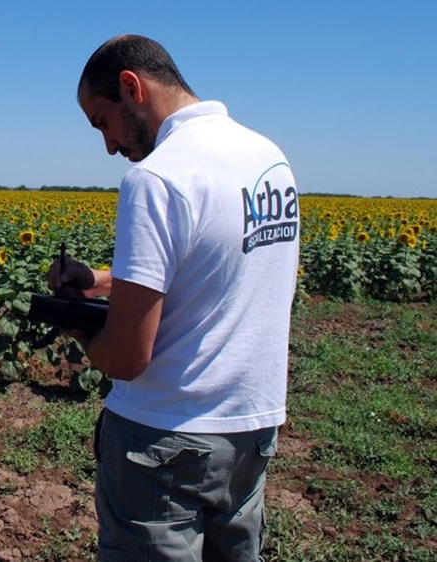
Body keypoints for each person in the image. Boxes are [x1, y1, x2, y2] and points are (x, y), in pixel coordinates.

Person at [47, 35, 300, 561]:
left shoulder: (156, 178)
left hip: (166, 437)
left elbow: (126, 358)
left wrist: (77, 327)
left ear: (130, 87)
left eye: (102, 123)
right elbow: (217, 263)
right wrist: (97, 280)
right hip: (251, 431)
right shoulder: (268, 159)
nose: (109, 146)